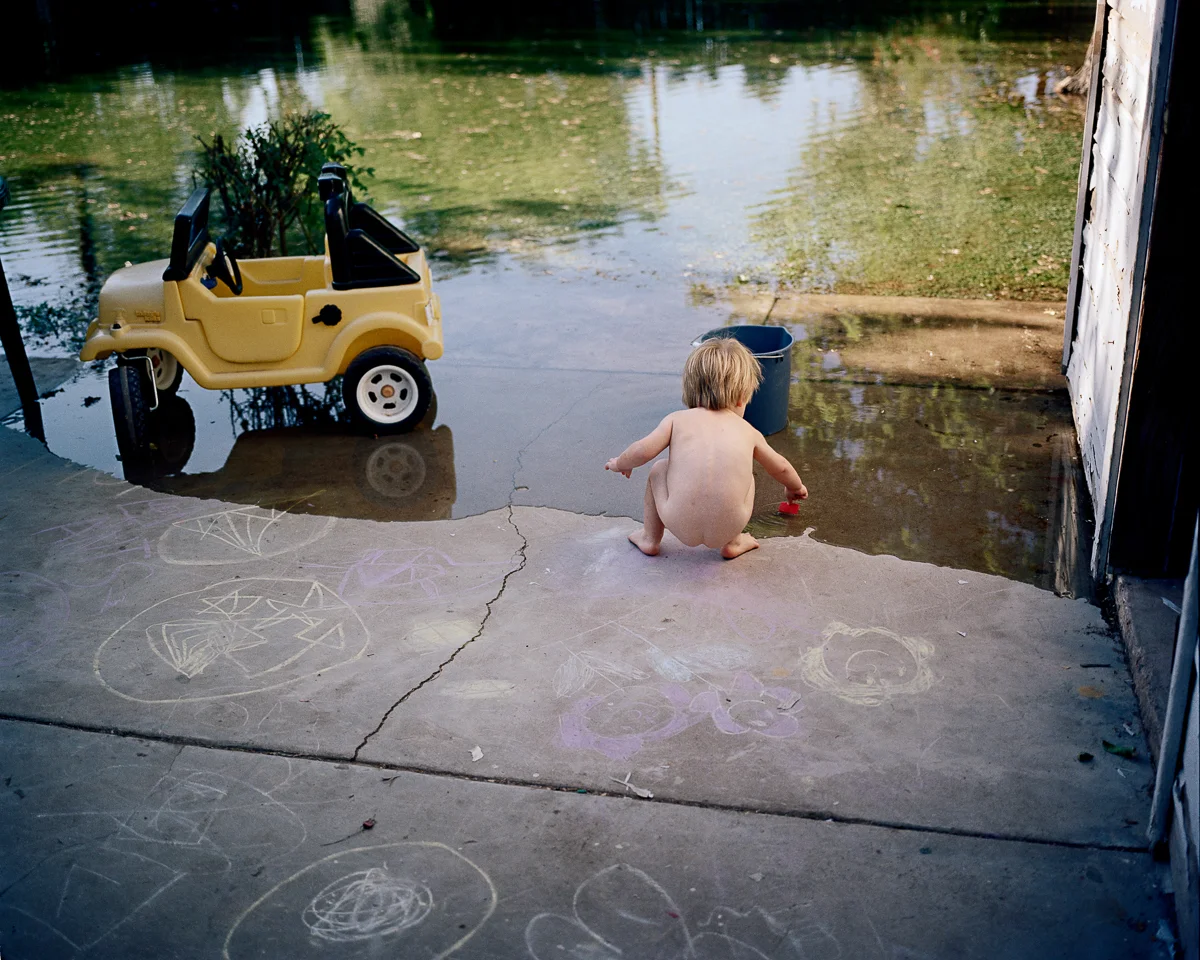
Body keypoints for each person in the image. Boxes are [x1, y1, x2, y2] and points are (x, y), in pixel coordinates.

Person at [605, 337, 808, 559]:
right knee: (746, 475)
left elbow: (642, 451)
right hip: (729, 524)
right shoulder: (748, 431)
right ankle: (734, 541)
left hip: (678, 520)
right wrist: (794, 487)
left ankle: (650, 538)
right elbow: (781, 468)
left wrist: (620, 463)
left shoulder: (676, 420)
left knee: (659, 469)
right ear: (742, 398)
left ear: (690, 389)